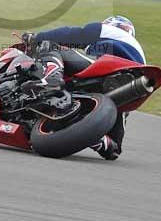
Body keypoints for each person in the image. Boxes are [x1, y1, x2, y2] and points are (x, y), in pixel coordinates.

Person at [23, 15, 144, 160]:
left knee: (49, 45)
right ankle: (101, 141)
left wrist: (37, 38)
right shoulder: (137, 54)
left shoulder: (112, 31)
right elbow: (115, 150)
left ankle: (51, 81)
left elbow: (75, 34)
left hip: (108, 70)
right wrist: (98, 136)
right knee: (114, 146)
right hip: (126, 87)